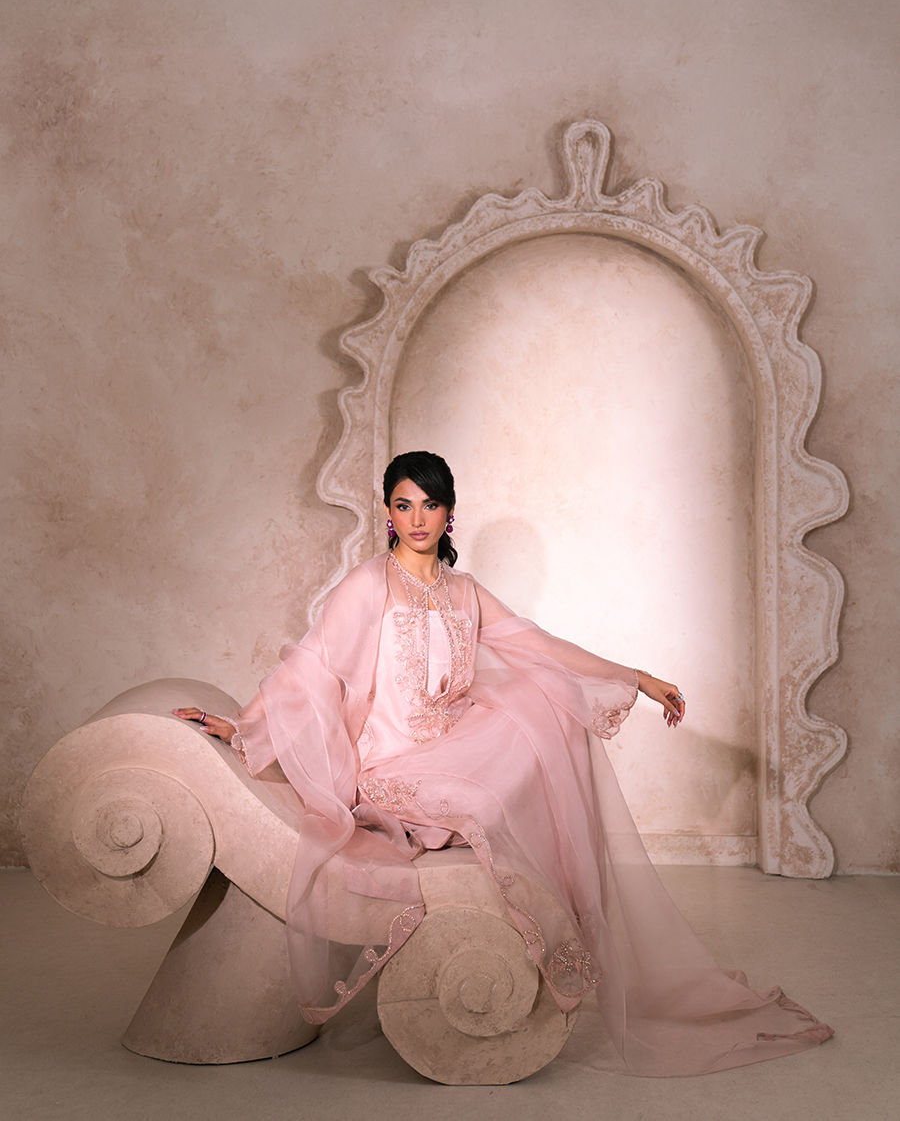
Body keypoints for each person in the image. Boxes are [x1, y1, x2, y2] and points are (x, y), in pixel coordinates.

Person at [174, 450, 833, 1076]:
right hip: (390, 758)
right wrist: (245, 724)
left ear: (449, 512)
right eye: (403, 505)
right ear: (388, 513)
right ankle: (449, 836)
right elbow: (313, 663)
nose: (418, 518)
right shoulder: (369, 585)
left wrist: (635, 677)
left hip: (454, 743)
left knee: (543, 708)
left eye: (430, 505)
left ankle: (566, 911)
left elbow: (541, 646)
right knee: (486, 795)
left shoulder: (464, 591)